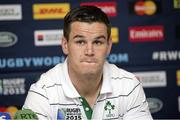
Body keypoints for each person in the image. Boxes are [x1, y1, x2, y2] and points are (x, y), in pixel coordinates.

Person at [23, 6, 153, 120]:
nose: (89, 51)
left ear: (108, 46)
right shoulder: (42, 93)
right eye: (80, 42)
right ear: (65, 45)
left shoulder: (129, 86)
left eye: (97, 42)